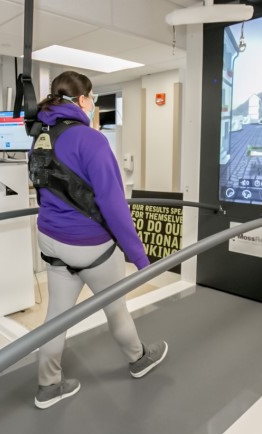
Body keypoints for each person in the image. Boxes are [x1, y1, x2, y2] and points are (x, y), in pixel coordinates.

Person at [32, 71, 168, 409]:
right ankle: (139, 359)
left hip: (51, 240)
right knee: (115, 306)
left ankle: (48, 386)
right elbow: (113, 203)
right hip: (88, 244)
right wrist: (139, 257)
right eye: (92, 98)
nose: (94, 105)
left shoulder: (40, 136)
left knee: (56, 316)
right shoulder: (92, 140)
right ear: (82, 100)